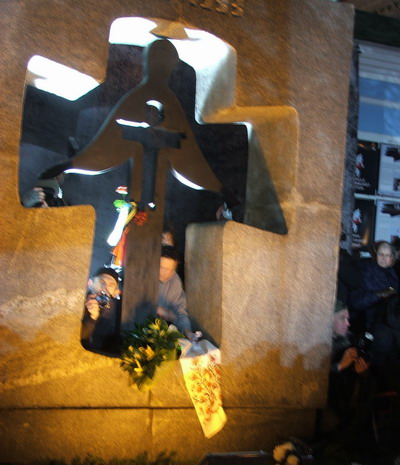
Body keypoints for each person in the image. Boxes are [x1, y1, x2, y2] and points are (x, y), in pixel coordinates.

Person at [350, 240, 398, 334]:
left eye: (387, 255)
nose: (384, 258)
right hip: (366, 324)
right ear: (375, 254)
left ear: (392, 257)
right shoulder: (364, 269)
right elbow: (355, 302)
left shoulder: (392, 272)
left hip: (385, 325)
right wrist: (380, 294)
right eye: (381, 254)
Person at [157, 245, 201, 343]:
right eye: (161, 267)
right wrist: (158, 309)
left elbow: (180, 311)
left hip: (157, 334)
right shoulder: (143, 274)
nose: (164, 272)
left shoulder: (174, 281)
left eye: (170, 270)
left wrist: (188, 332)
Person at [81, 267, 121, 354]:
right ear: (90, 283)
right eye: (101, 282)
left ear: (116, 292)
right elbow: (81, 340)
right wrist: (91, 319)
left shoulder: (119, 310)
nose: (105, 288)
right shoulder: (79, 301)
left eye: (111, 285)